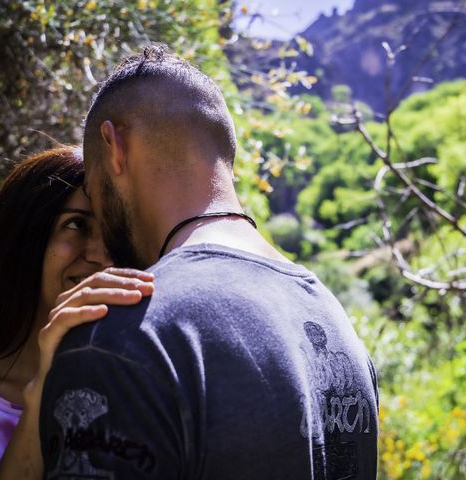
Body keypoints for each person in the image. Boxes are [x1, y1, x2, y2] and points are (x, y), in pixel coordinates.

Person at [40, 44, 378, 479]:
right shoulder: (334, 324)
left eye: (92, 187)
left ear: (115, 145)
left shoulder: (123, 337)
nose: (100, 225)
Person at [0, 146, 155, 479]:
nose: (103, 256)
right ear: (21, 235)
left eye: (115, 232)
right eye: (76, 224)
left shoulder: (124, 382)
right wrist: (43, 385)